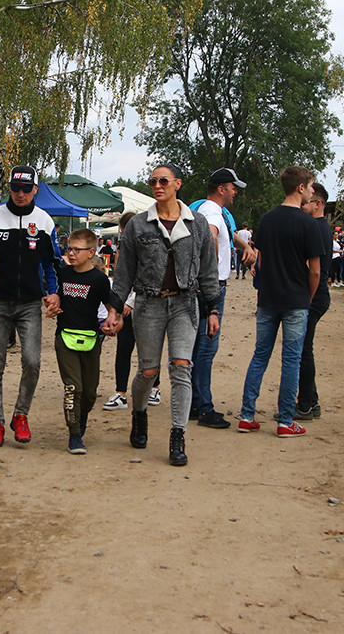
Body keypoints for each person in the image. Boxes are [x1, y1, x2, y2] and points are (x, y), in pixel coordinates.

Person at [103, 163, 219, 466]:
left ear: (177, 184)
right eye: (153, 181)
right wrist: (115, 310)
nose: (158, 185)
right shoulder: (140, 225)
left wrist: (214, 308)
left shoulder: (198, 224)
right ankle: (139, 414)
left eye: (164, 180)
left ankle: (177, 435)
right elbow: (123, 272)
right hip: (148, 304)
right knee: (148, 371)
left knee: (182, 366)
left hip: (184, 304)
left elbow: (208, 270)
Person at [0, 166, 60, 447]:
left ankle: (21, 415)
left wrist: (54, 292)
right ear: (9, 188)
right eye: (15, 188)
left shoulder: (44, 221)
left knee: (32, 362)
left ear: (35, 189)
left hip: (31, 304)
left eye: (26, 189)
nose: (20, 194)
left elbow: (52, 262)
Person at [235, 166, 323, 438]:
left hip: (268, 298)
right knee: (291, 360)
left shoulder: (267, 219)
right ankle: (285, 421)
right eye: (310, 186)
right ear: (300, 188)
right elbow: (316, 270)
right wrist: (307, 298)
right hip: (295, 298)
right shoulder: (309, 224)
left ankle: (247, 415)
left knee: (260, 355)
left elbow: (259, 256)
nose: (311, 191)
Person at [188, 167, 253, 428]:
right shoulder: (211, 211)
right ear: (221, 188)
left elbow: (226, 232)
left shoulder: (215, 211)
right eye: (233, 187)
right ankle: (203, 406)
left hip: (208, 285)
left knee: (198, 346)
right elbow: (212, 235)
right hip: (212, 286)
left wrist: (245, 246)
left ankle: (194, 401)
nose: (236, 191)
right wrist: (211, 269)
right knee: (206, 346)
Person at [50, 229, 113, 454]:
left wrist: (112, 322)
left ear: (91, 252)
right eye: (70, 249)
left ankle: (81, 415)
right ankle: (74, 434)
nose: (72, 253)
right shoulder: (62, 274)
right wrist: (51, 303)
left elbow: (110, 307)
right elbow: (52, 294)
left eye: (78, 249)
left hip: (91, 340)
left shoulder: (99, 279)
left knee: (89, 394)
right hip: (64, 337)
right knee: (72, 388)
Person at [102, 212, 162, 411]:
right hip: (126, 307)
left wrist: (131, 302)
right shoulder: (123, 248)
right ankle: (121, 393)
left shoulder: (150, 249)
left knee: (149, 349)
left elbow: (151, 278)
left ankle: (155, 387)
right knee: (124, 348)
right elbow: (121, 279)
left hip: (146, 305)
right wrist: (119, 304)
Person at [294, 182, 333, 417]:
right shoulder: (318, 226)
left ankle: (306, 404)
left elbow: (314, 269)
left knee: (302, 350)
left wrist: (306, 298)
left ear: (317, 204)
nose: (301, 205)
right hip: (316, 295)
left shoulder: (317, 227)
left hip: (314, 296)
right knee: (303, 349)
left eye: (305, 201)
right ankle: (311, 401)